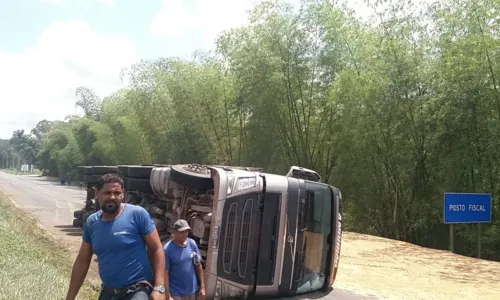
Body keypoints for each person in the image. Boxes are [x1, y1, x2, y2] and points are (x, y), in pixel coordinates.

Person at [64, 173, 166, 300]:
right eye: (107, 193)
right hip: (109, 292)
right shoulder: (92, 222)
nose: (112, 197)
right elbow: (82, 261)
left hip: (137, 289)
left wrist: (159, 287)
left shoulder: (137, 214)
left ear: (123, 193)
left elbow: (157, 248)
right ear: (97, 193)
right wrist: (70, 297)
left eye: (117, 193)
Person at [164, 219, 206, 300]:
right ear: (175, 232)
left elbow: (198, 266)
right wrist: (168, 295)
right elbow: (165, 273)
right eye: (182, 232)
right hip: (176, 293)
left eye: (186, 231)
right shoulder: (167, 249)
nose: (185, 234)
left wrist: (202, 288)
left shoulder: (192, 244)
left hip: (191, 291)